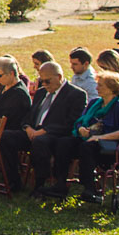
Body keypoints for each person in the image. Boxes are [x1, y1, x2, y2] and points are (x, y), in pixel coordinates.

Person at [22, 61, 88, 199]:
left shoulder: (76, 94)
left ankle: (40, 184)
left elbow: (71, 122)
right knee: (5, 138)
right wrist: (27, 127)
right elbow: (29, 115)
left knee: (40, 142)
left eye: (47, 81)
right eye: (42, 81)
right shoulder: (41, 93)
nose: (44, 84)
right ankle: (13, 181)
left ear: (58, 77)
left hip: (55, 134)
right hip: (33, 131)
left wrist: (44, 131)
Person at [73, 71, 119, 203]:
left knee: (87, 148)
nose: (97, 88)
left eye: (101, 85)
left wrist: (100, 138)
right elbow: (80, 120)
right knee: (64, 143)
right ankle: (60, 184)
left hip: (110, 144)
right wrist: (81, 128)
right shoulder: (95, 103)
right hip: (89, 138)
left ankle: (89, 189)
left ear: (112, 87)